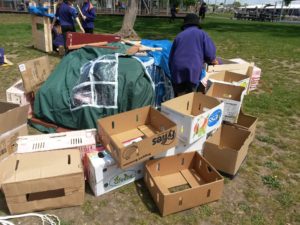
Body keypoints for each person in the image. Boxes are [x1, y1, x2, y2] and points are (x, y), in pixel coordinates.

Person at [168, 13, 218, 96]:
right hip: (193, 70)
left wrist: (172, 71)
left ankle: (178, 105)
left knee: (179, 96)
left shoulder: (179, 36)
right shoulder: (202, 34)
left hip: (177, 70)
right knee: (190, 96)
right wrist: (212, 61)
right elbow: (210, 53)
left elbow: (171, 57)